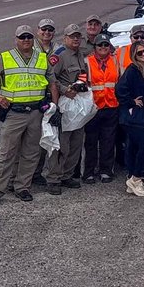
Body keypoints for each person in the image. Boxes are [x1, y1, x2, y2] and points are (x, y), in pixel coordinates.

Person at [0, 25, 59, 206]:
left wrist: (54, 107)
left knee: (30, 152)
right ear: (16, 39)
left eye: (29, 37)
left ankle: (22, 186)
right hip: (14, 113)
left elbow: (52, 84)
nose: (26, 40)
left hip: (36, 112)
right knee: (6, 151)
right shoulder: (5, 58)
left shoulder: (42, 58)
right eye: (22, 37)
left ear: (33, 39)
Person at [46, 24, 89, 195]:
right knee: (61, 144)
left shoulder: (80, 54)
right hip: (64, 102)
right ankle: (53, 178)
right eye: (72, 36)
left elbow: (82, 76)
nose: (76, 39)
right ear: (65, 38)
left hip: (77, 104)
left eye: (78, 36)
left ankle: (67, 175)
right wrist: (65, 90)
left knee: (76, 142)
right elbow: (51, 78)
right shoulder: (60, 56)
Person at [115, 42, 144, 196]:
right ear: (134, 55)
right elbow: (119, 89)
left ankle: (134, 180)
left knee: (134, 147)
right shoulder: (132, 70)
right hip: (132, 117)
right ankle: (135, 178)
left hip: (143, 116)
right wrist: (132, 101)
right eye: (139, 53)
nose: (143, 55)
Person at [84, 34, 121, 184]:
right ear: (95, 48)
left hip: (111, 106)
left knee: (108, 141)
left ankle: (106, 170)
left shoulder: (115, 61)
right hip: (94, 107)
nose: (103, 48)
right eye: (100, 45)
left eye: (106, 45)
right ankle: (89, 172)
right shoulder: (87, 62)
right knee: (91, 142)